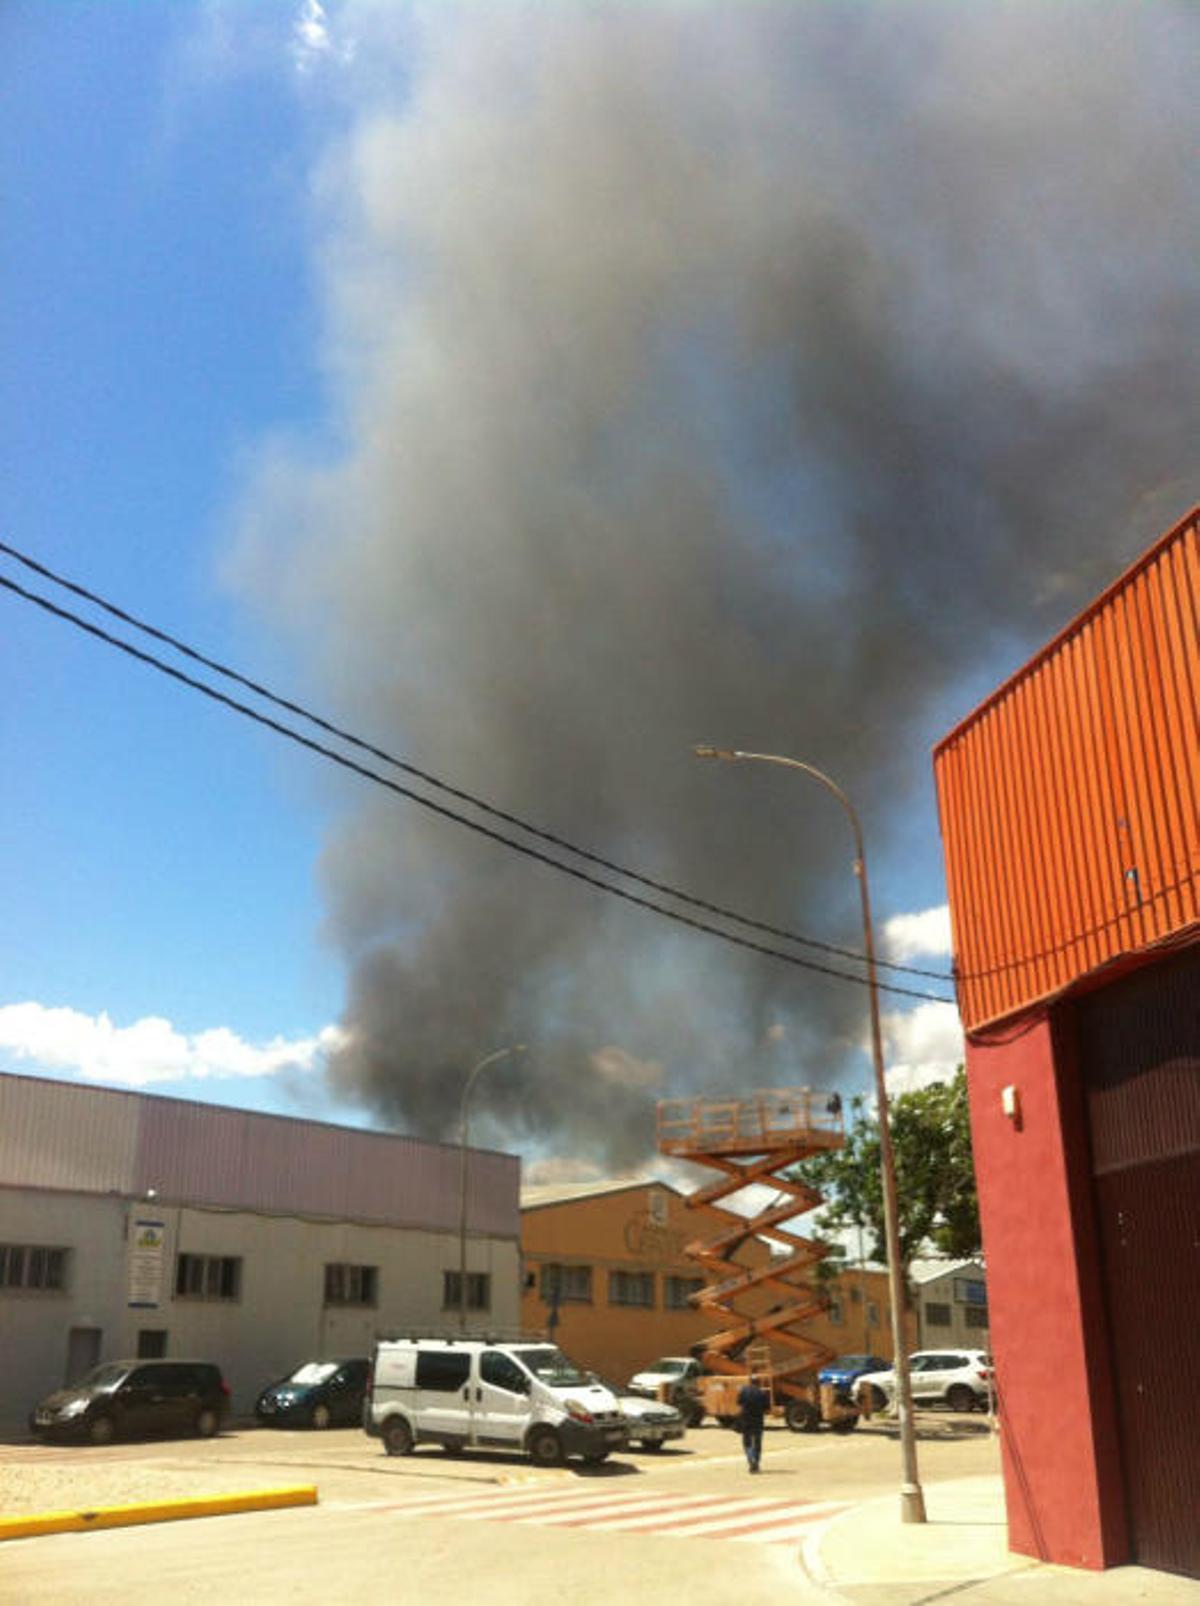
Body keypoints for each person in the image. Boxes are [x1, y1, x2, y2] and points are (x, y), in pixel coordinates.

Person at [737, 1373, 771, 1473]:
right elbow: (767, 1408)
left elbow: (739, 1402)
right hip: (758, 1420)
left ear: (750, 1382)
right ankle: (756, 1461)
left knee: (746, 1442)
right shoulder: (762, 1393)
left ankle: (750, 1460)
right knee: (757, 1442)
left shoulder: (744, 1391)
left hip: (746, 1420)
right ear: (758, 1383)